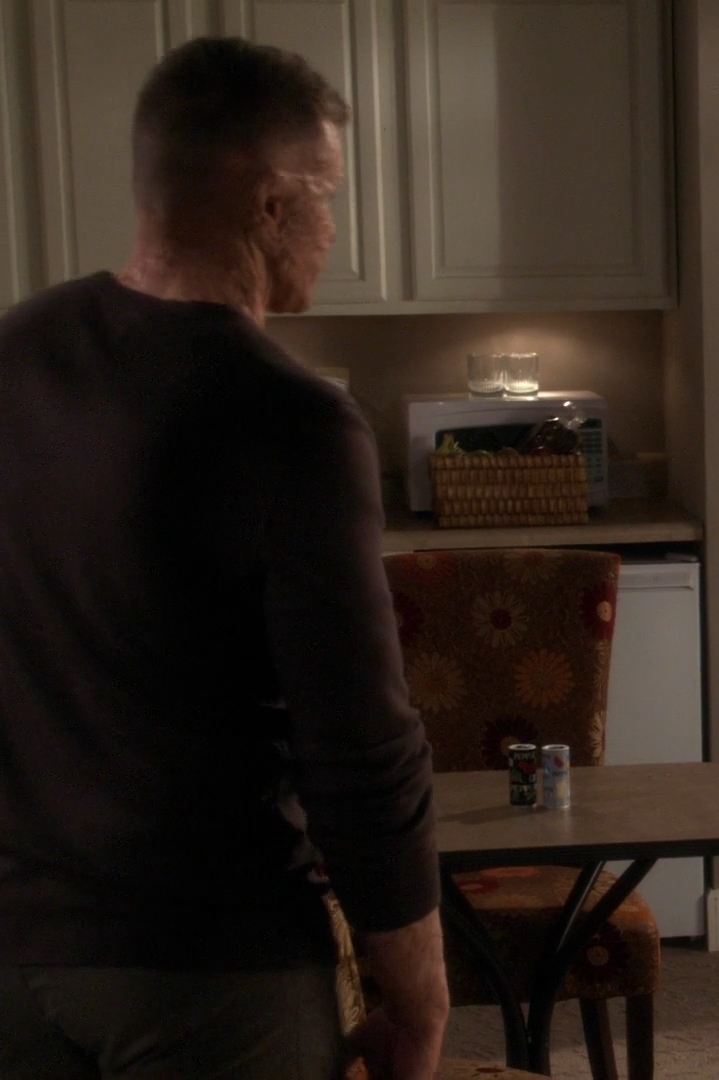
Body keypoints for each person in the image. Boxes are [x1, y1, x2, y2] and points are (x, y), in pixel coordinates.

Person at [0, 38, 448, 1078]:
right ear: (273, 205)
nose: (334, 230)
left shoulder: (15, 351)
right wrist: (419, 998)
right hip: (203, 967)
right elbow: (359, 749)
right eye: (329, 196)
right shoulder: (292, 421)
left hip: (14, 945)